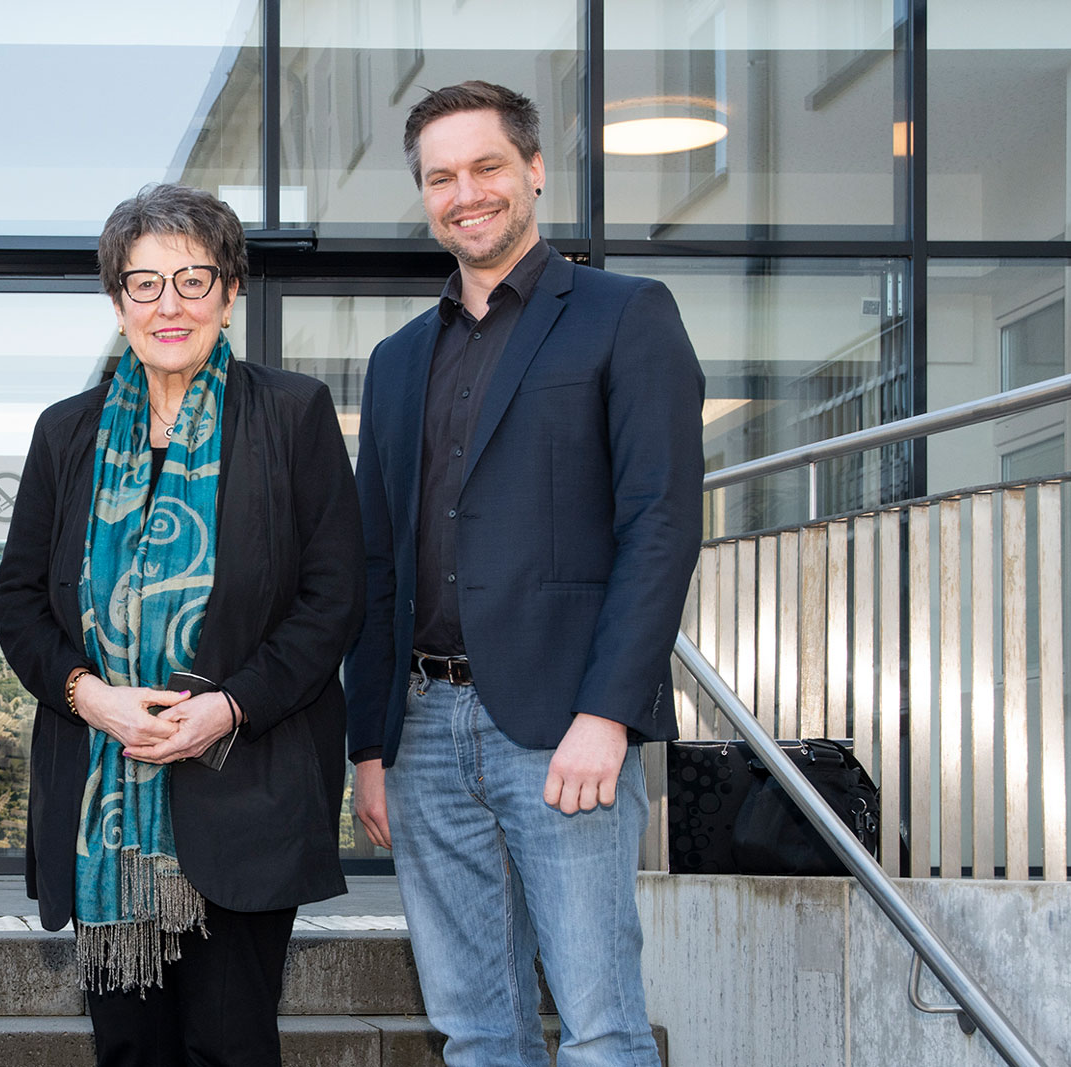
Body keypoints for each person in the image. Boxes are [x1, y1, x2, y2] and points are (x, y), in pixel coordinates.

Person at [344, 81, 703, 1067]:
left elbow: (660, 522)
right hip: (420, 729)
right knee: (473, 1026)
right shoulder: (396, 360)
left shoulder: (624, 314)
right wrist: (369, 741)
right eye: (440, 176)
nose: (466, 192)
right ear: (423, 194)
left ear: (534, 171)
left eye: (486, 166)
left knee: (598, 1024)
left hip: (562, 728)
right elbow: (377, 559)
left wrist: (608, 711)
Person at [0, 183, 362, 1066]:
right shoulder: (65, 434)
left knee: (231, 1046)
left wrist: (229, 706)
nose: (170, 305)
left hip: (248, 790)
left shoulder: (294, 415)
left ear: (230, 292)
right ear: (117, 303)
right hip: (101, 801)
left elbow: (333, 597)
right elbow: (18, 602)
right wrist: (92, 699)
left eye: (193, 279)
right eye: (145, 283)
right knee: (127, 1049)